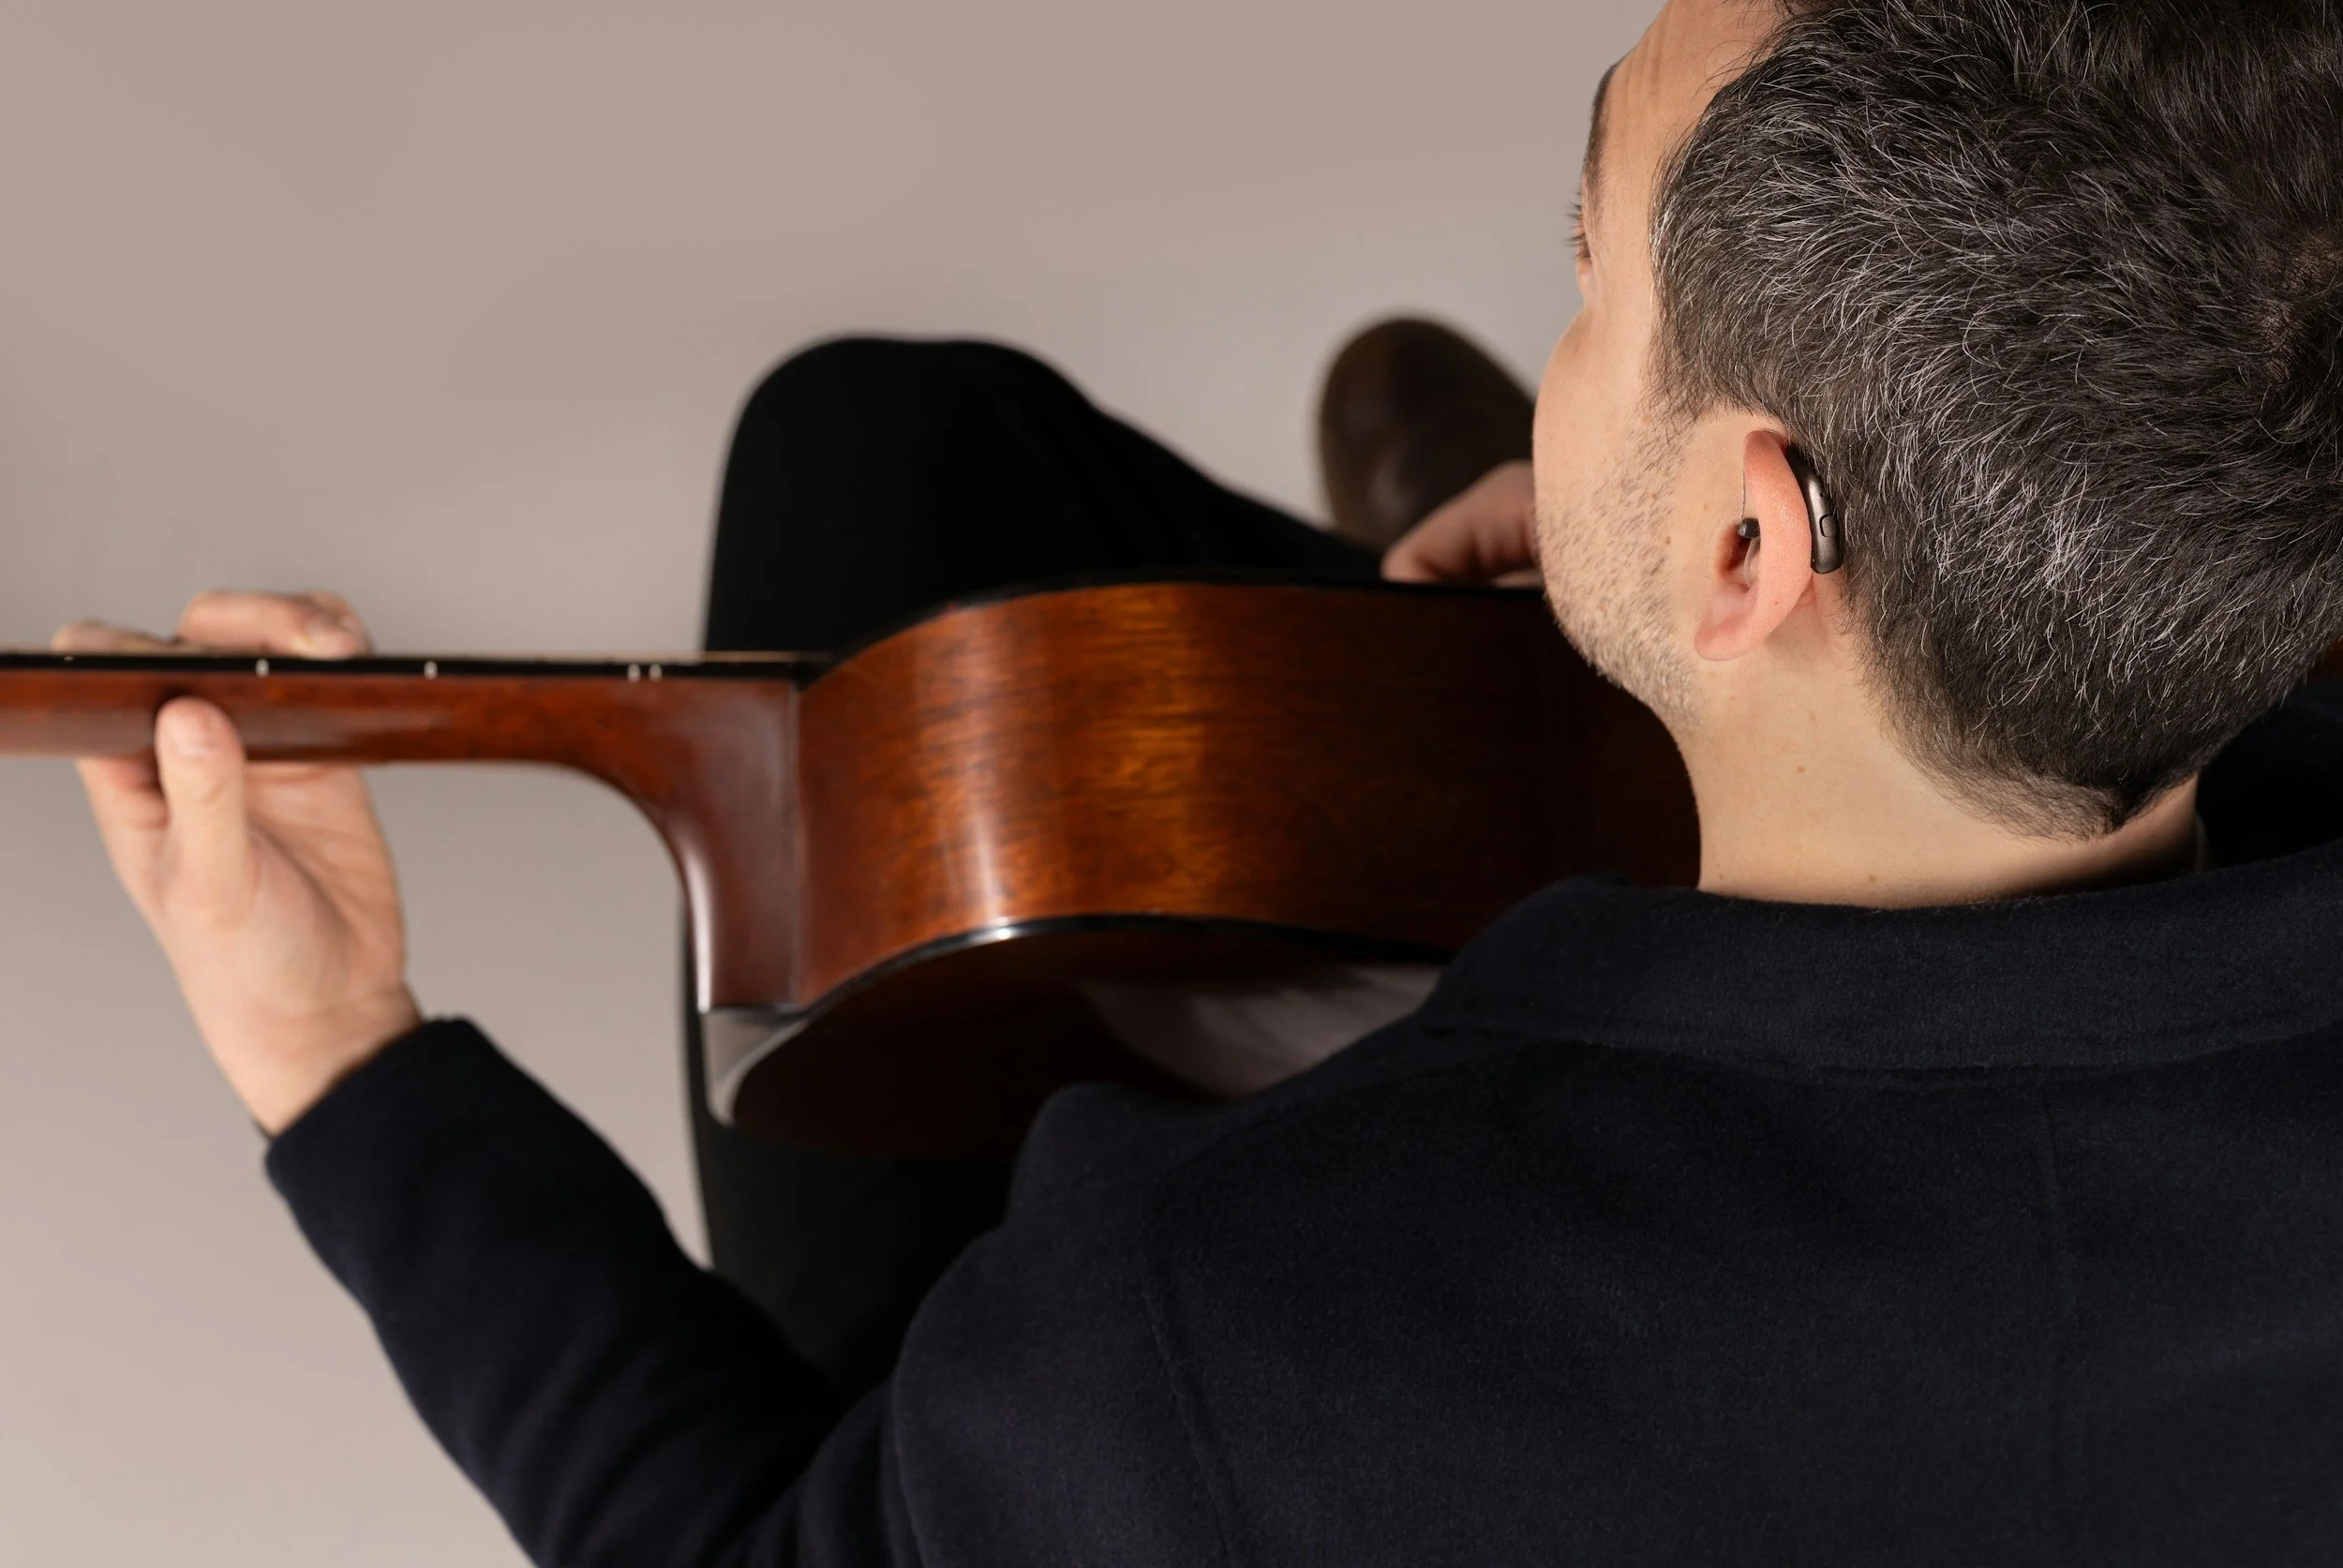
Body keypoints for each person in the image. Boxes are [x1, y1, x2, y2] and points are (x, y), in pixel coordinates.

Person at [52, 0, 2343, 1560]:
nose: (1561, 312)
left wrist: (335, 1054)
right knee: (898, 443)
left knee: (880, 556)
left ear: (1750, 538)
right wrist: (1647, 527)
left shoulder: (1219, 1323)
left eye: (1584, 281)